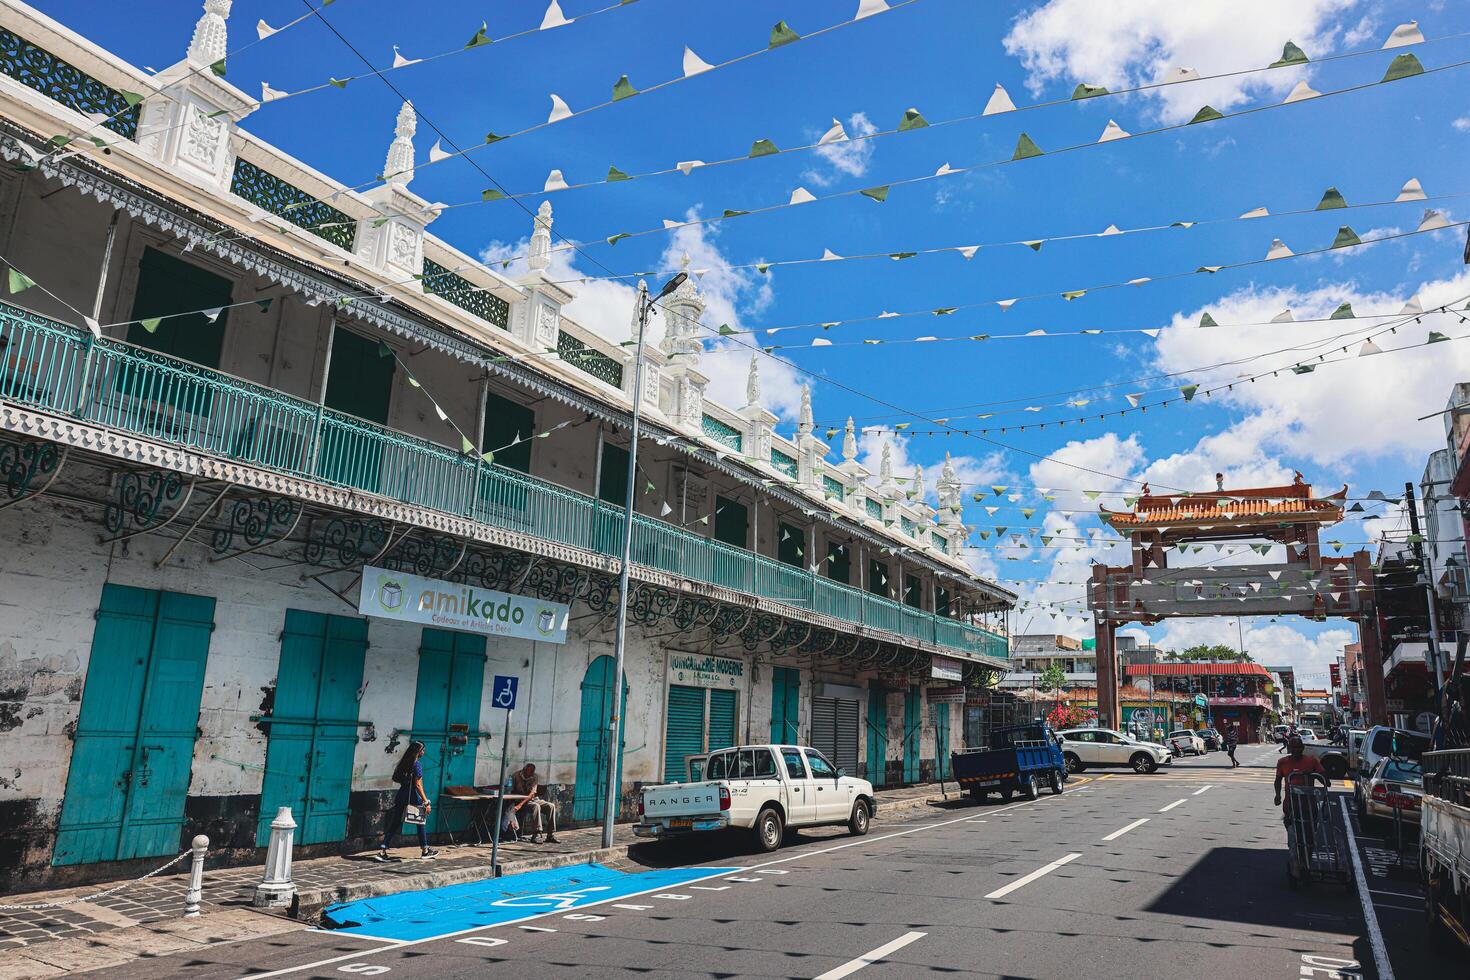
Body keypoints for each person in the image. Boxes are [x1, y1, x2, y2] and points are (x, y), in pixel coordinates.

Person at [377, 741, 439, 861]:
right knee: (420, 823)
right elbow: (418, 785)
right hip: (413, 796)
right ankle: (425, 850)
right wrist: (426, 801)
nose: (423, 752)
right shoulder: (417, 765)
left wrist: (406, 781)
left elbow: (395, 777)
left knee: (395, 822)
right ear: (418, 751)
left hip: (401, 794)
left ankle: (383, 850)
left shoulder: (404, 763)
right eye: (422, 750)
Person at [510, 762, 559, 844]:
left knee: (551, 806)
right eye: (529, 772)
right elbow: (511, 790)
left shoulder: (534, 776)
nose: (531, 774)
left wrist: (520, 805)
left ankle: (550, 834)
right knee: (535, 806)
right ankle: (536, 833)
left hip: (531, 799)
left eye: (532, 772)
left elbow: (532, 793)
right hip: (520, 800)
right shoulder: (516, 776)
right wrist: (518, 804)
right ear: (524, 770)